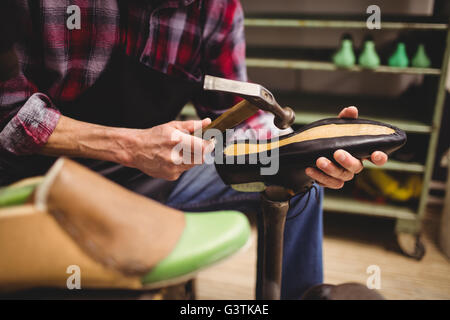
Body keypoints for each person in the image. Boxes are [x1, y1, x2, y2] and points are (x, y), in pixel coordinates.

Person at [0, 0, 387, 299]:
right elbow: (7, 113)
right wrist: (131, 146)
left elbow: (231, 120)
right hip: (37, 180)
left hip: (148, 183)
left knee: (298, 182)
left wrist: (301, 152)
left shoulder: (215, 9)